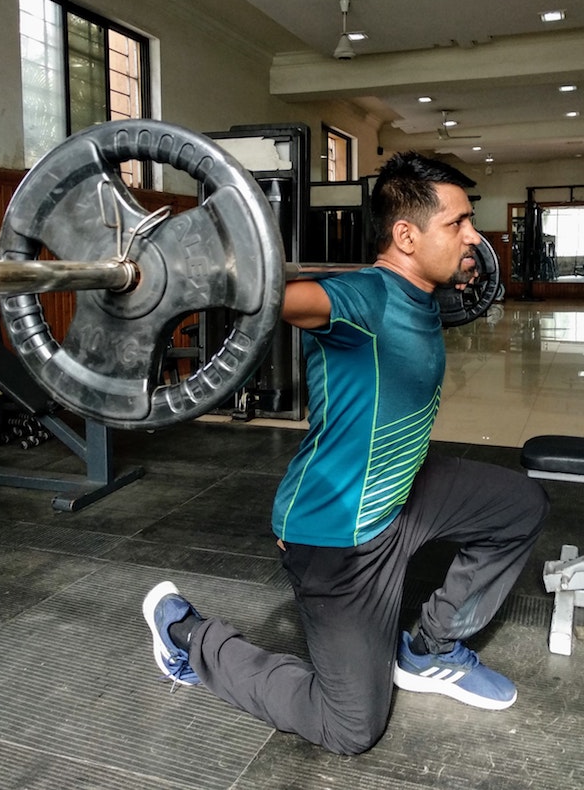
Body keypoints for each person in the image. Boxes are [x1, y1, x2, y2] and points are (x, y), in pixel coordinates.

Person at [142, 151, 549, 755]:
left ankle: (432, 648)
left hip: (405, 490)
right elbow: (279, 300)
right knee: (351, 727)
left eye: (469, 223)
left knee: (520, 505)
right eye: (457, 224)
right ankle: (186, 634)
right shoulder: (361, 300)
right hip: (338, 534)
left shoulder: (420, 294)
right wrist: (181, 275)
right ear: (406, 237)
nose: (472, 238)